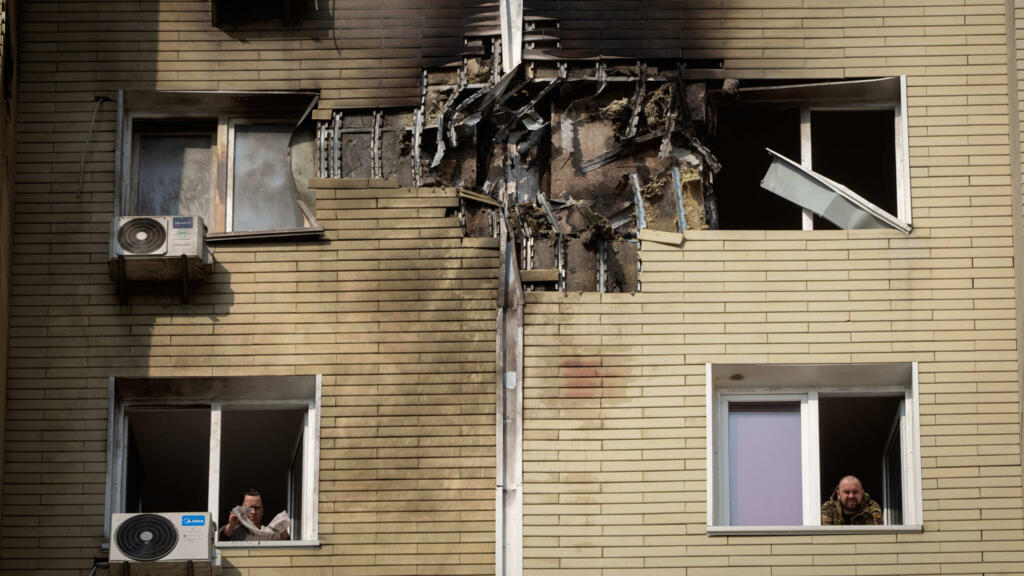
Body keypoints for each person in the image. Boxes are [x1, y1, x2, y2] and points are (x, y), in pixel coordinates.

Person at [219, 488, 290, 541]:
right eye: (249, 508)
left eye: (257, 508)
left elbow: (288, 548)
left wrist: (282, 527)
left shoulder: (269, 533)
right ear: (240, 509)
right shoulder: (232, 530)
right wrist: (231, 525)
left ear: (263, 510)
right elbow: (218, 540)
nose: (253, 512)